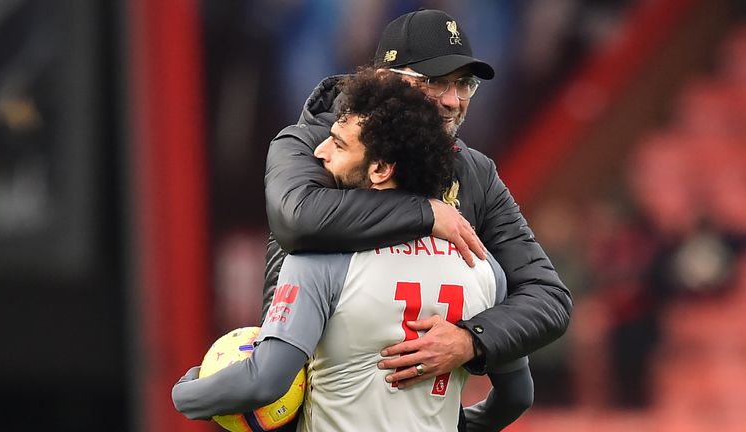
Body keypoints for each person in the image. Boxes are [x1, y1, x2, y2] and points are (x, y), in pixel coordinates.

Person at [173, 69, 531, 431]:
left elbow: (264, 381)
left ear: (379, 169)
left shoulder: (321, 257)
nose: (320, 151)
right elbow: (516, 396)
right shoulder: (483, 267)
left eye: (339, 144)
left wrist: (187, 393)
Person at [263, 8, 571, 388]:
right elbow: (297, 218)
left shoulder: (474, 172)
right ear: (382, 80)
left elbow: (548, 297)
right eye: (434, 81)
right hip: (311, 406)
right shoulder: (309, 143)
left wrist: (471, 340)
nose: (452, 100)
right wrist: (427, 213)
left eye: (464, 84)